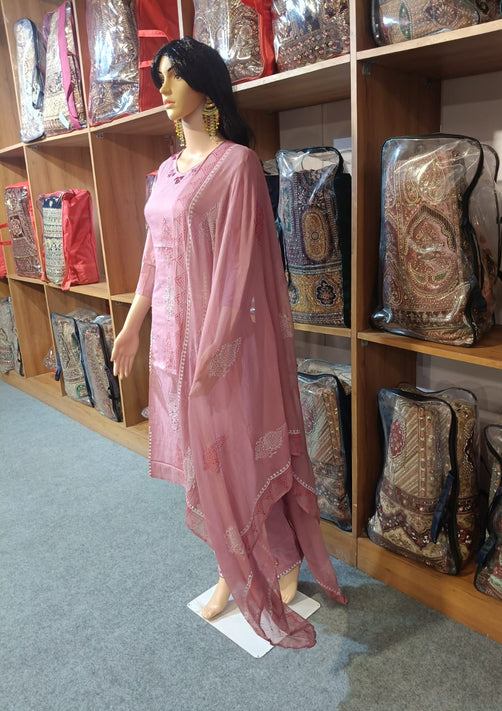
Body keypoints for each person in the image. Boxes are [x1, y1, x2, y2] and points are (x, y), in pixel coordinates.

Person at [111, 37, 346, 649]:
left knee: (237, 456)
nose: (163, 90)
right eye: (159, 78)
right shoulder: (167, 172)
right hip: (172, 345)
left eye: (174, 77)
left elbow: (240, 267)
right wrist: (133, 325)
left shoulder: (236, 165)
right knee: (205, 462)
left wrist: (214, 351)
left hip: (222, 348)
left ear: (205, 85)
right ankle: (232, 565)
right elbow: (153, 260)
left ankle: (274, 561)